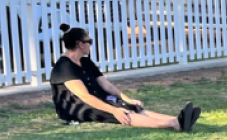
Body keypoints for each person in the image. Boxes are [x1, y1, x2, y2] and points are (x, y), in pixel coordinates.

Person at [49, 25, 200, 132]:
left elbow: (106, 85)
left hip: (97, 99)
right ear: (81, 44)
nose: (91, 45)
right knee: (123, 113)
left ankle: (177, 119)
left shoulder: (85, 61)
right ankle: (174, 123)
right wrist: (113, 110)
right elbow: (84, 96)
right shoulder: (64, 66)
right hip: (78, 108)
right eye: (90, 42)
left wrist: (127, 99)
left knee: (133, 108)